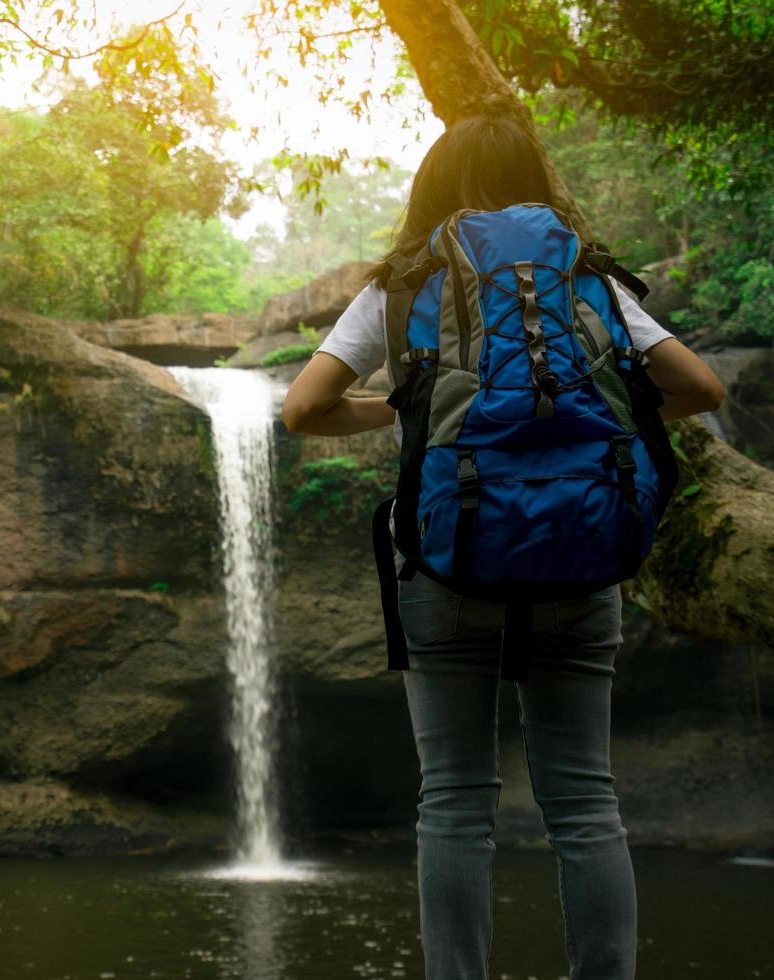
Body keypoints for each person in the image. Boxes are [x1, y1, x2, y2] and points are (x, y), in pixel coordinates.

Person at [279, 115, 725, 980]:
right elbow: (699, 389)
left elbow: (302, 410)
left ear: (433, 187)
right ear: (535, 180)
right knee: (585, 803)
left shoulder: (402, 286)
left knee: (452, 801)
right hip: (582, 553)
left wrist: (409, 408)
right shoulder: (585, 280)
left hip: (447, 564)